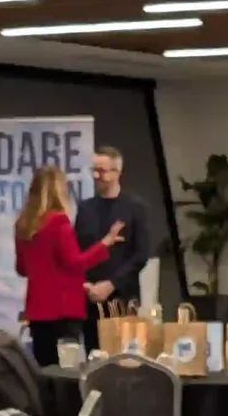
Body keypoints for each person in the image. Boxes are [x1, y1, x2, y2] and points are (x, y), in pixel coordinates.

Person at [14, 164, 123, 367]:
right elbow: (75, 263)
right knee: (66, 371)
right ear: (59, 190)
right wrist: (105, 243)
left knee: (45, 368)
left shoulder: (22, 225)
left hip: (38, 310)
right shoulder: (58, 222)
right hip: (63, 309)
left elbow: (21, 268)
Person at [74, 145, 157, 311]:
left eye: (102, 171)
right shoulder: (85, 208)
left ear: (117, 171)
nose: (96, 176)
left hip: (124, 298)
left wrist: (112, 284)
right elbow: (77, 252)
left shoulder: (135, 208)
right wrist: (85, 284)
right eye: (94, 170)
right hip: (89, 298)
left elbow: (141, 255)